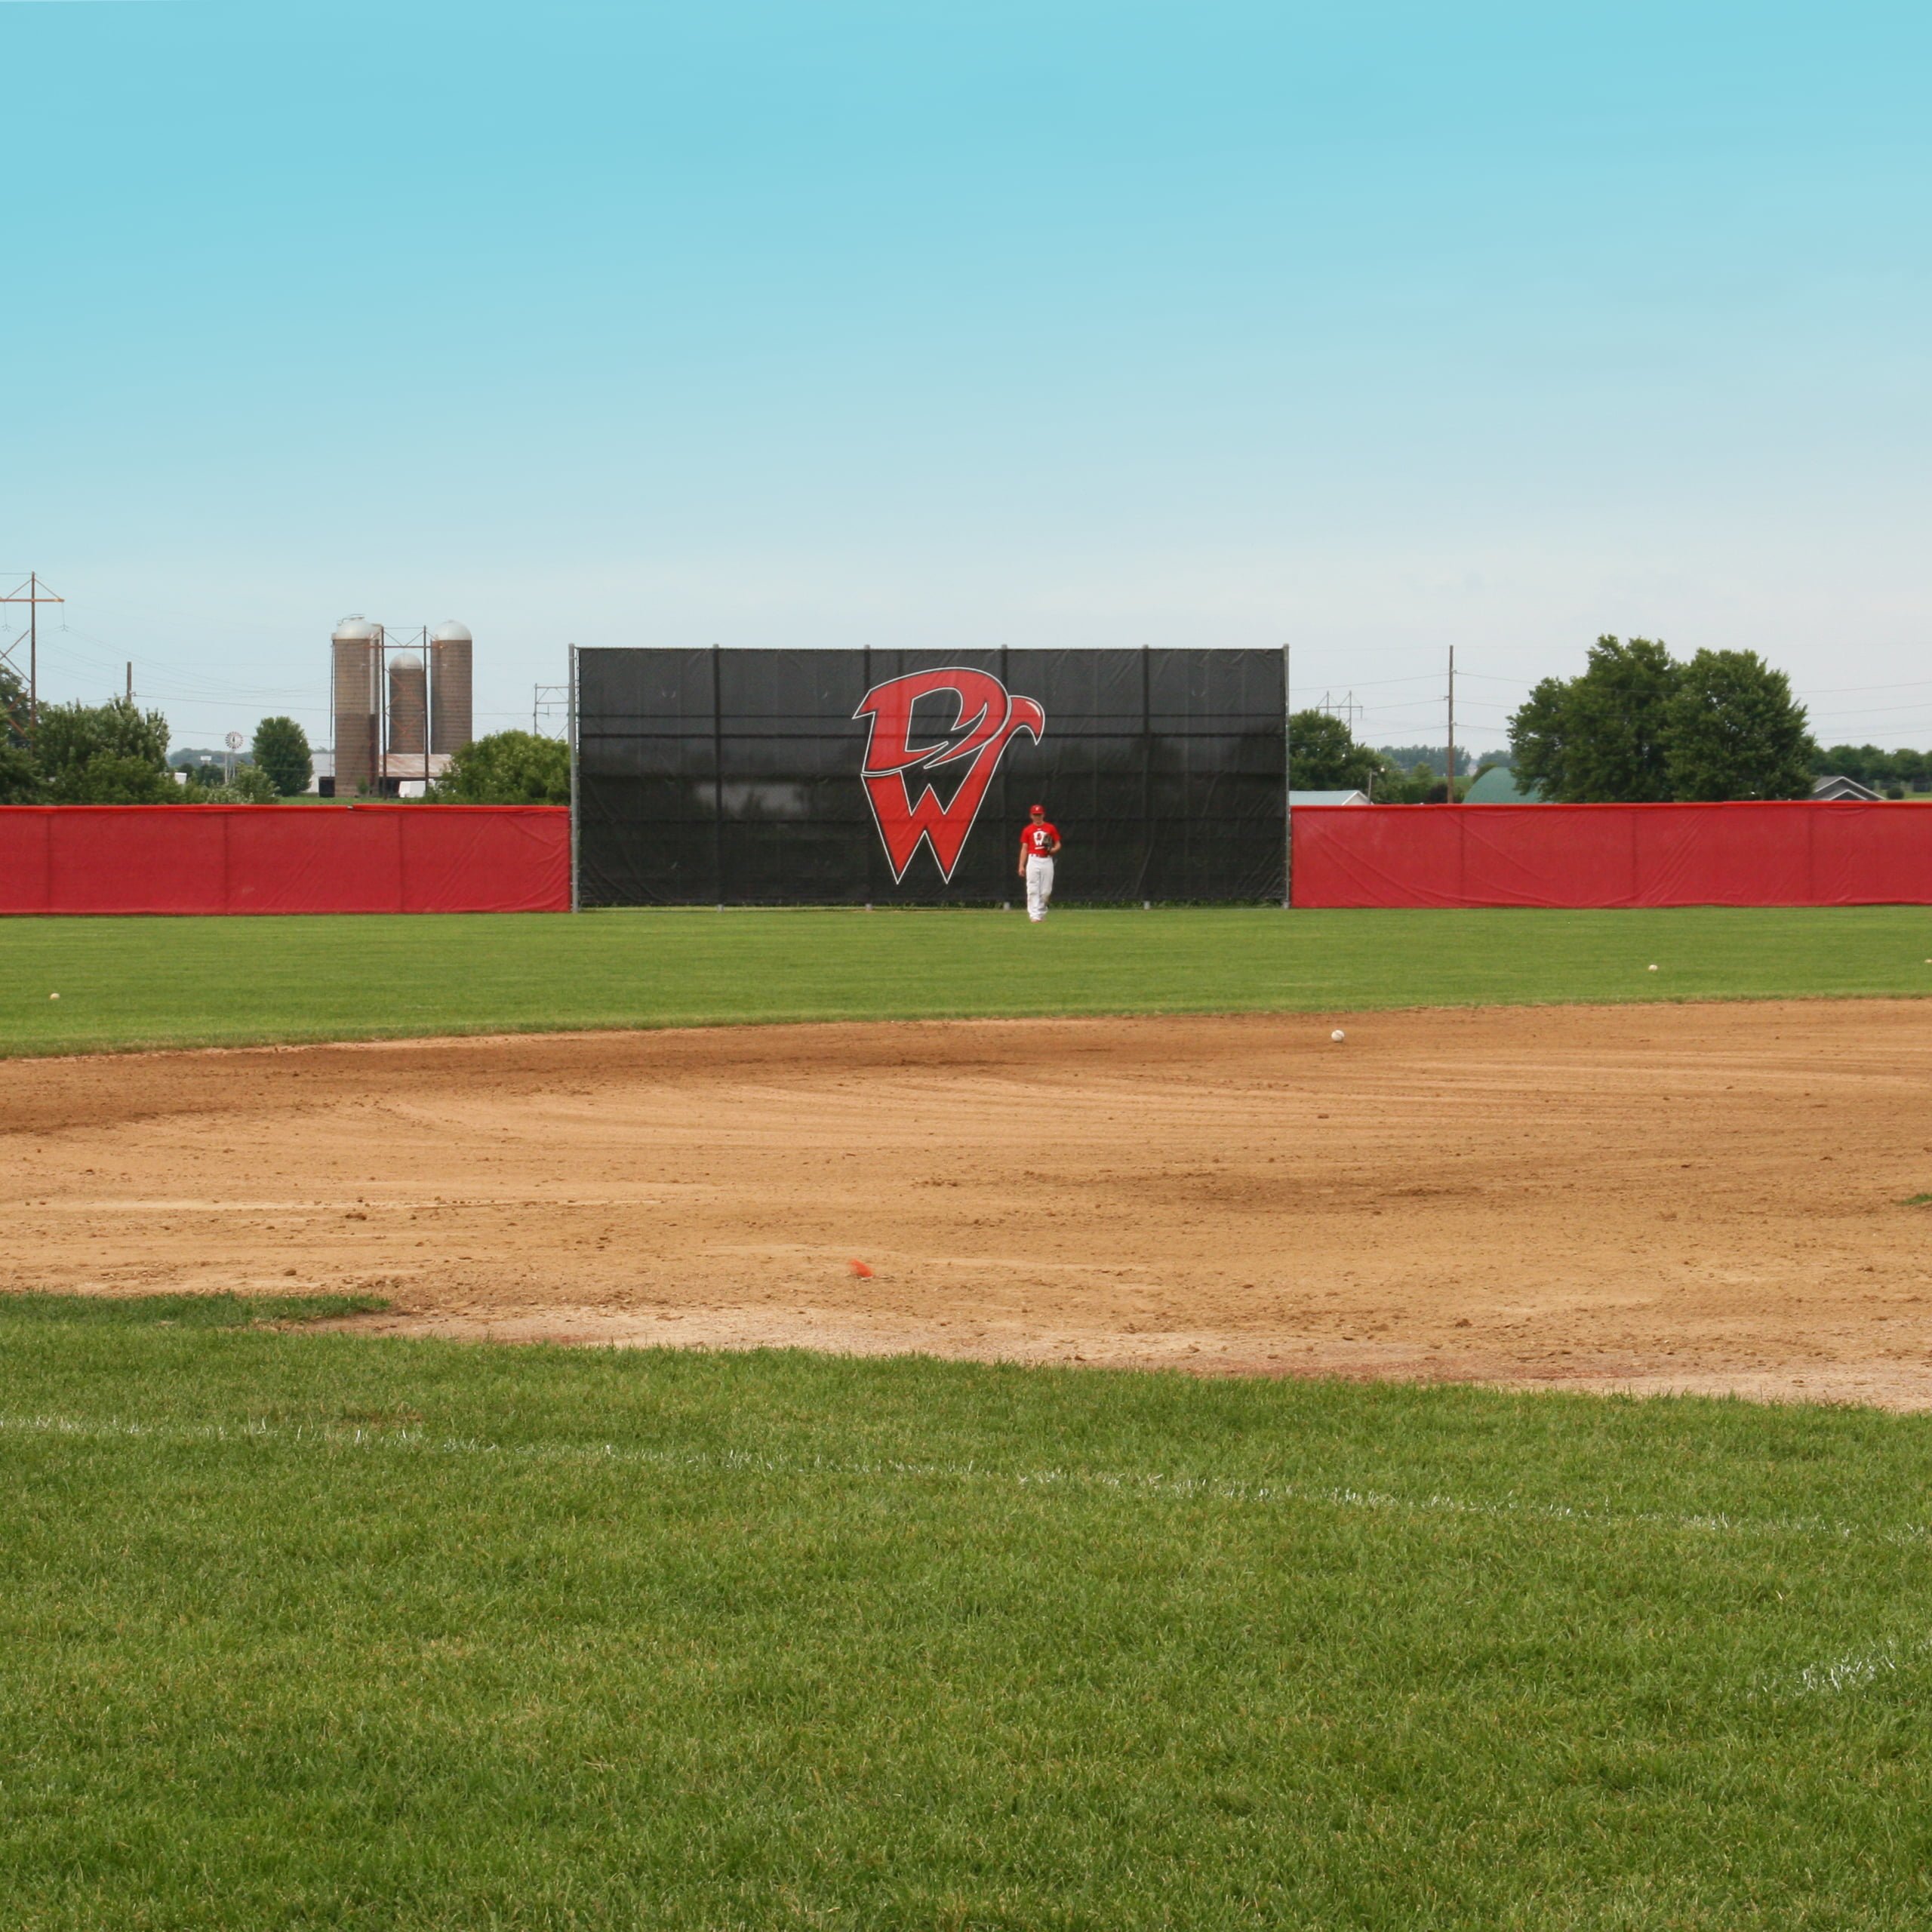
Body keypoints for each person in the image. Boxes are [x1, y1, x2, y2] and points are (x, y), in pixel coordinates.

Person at [1017, 803, 1061, 921]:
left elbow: (1058, 844)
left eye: (1039, 814)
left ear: (1043, 815)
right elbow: (1024, 848)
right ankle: (1034, 915)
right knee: (1032, 888)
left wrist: (1053, 850)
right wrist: (1021, 865)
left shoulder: (1050, 828)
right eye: (1035, 815)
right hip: (1033, 859)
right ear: (1031, 816)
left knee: (1046, 890)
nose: (1037, 817)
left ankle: (1041, 912)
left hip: (1046, 859)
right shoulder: (1027, 830)